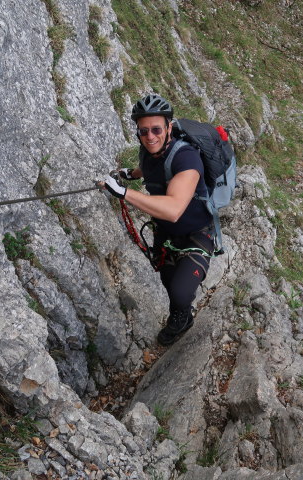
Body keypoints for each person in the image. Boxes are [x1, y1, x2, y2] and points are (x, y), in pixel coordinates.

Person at [98, 94, 214, 346]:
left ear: (169, 127)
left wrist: (125, 193)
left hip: (197, 234)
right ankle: (179, 315)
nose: (150, 136)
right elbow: (149, 166)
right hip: (164, 234)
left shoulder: (187, 159)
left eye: (156, 129)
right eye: (143, 131)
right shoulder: (147, 150)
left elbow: (173, 209)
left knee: (181, 293)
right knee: (167, 281)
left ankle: (182, 317)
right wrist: (128, 174)